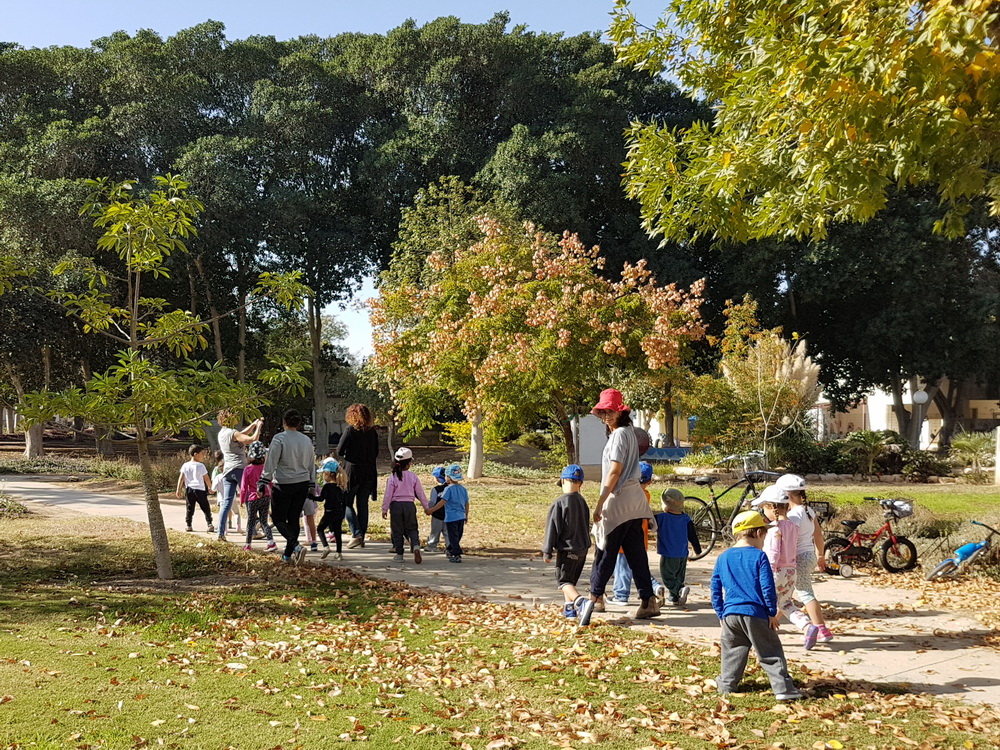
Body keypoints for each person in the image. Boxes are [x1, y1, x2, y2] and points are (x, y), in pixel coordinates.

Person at [578, 388, 660, 626]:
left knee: (605, 551)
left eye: (610, 411)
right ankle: (648, 601)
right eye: (603, 411)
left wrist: (600, 501)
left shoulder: (618, 436)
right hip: (636, 500)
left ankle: (593, 600)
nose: (606, 415)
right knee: (635, 554)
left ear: (621, 412)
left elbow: (615, 470)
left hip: (619, 499)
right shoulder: (629, 434)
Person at [711, 511, 803, 701]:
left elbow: (715, 588)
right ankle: (783, 688)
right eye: (765, 535)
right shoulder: (759, 556)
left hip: (730, 615)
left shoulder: (723, 557)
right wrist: (771, 612)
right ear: (759, 533)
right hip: (755, 613)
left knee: (732, 651)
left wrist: (721, 614)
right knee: (770, 651)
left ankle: (727, 684)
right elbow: (767, 587)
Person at [776, 473, 833, 649]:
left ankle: (820, 628)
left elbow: (788, 538)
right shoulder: (808, 511)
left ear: (787, 495)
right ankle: (773, 621)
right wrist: (820, 554)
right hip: (809, 556)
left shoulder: (794, 515)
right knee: (786, 592)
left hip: (798, 558)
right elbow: (818, 534)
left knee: (805, 592)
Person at [259, 409, 315, 565]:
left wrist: (263, 481)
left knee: (277, 518)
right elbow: (311, 463)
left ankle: (295, 545)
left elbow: (271, 463)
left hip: (283, 483)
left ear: (284, 421)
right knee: (293, 519)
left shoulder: (279, 439)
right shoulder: (306, 440)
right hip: (302, 483)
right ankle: (288, 555)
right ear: (298, 423)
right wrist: (312, 483)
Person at [611, 461, 666, 605]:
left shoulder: (628, 494)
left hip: (625, 537)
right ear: (650, 481)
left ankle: (621, 594)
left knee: (622, 567)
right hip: (641, 538)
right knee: (638, 567)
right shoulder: (645, 495)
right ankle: (654, 586)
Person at [752, 485, 806, 632]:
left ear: (771, 507)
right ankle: (806, 625)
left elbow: (773, 553)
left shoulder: (774, 529)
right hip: (790, 572)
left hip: (775, 571)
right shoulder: (794, 526)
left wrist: (765, 572)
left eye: (764, 507)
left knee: (763, 601)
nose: (763, 511)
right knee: (786, 604)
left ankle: (762, 630)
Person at [542, 464, 592, 619]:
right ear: (581, 484)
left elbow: (553, 527)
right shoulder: (582, 502)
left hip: (568, 547)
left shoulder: (559, 503)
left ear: (563, 481)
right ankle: (569, 609)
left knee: (563, 581)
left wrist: (547, 550)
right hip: (582, 548)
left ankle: (580, 602)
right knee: (570, 581)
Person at [337, 404, 379, 549]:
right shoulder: (372, 432)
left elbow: (339, 450)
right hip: (369, 471)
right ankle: (362, 535)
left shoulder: (350, 430)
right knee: (363, 504)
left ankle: (356, 533)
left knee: (346, 502)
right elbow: (376, 452)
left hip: (352, 471)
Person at [216, 411, 263, 542]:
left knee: (226, 502)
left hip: (227, 470)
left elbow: (241, 434)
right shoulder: (233, 433)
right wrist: (258, 427)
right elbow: (251, 440)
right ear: (230, 419)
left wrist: (252, 425)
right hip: (239, 469)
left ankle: (220, 533)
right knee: (249, 500)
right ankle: (253, 531)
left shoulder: (222, 433)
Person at [381, 447, 429, 564]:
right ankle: (416, 545)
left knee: (397, 530)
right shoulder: (413, 477)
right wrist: (426, 506)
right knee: (412, 527)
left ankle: (399, 554)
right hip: (409, 505)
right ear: (409, 463)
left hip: (396, 506)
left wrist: (384, 508)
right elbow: (420, 493)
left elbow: (388, 495)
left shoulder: (392, 477)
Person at [654, 487, 702, 606]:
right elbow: (693, 535)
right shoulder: (686, 519)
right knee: (678, 577)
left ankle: (680, 590)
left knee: (668, 577)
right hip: (682, 554)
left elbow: (648, 524)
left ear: (667, 506)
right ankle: (674, 598)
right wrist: (698, 550)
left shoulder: (661, 518)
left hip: (668, 554)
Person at [427, 463, 469, 563]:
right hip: (461, 517)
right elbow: (467, 503)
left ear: (448, 477)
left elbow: (442, 502)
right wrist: (466, 515)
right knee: (457, 536)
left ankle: (456, 553)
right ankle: (450, 549)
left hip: (451, 517)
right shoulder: (463, 489)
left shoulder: (448, 489)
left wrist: (431, 510)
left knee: (452, 536)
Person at [240, 440, 276, 552]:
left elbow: (243, 487)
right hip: (265, 497)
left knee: (250, 522)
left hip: (252, 499)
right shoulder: (265, 468)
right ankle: (271, 542)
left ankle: (247, 544)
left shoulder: (248, 469)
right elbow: (271, 483)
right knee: (264, 521)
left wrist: (242, 499)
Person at [176, 444, 215, 533]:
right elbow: (206, 478)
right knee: (205, 507)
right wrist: (210, 487)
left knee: (190, 507)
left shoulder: (185, 465)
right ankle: (209, 523)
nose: (204, 456)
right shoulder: (201, 466)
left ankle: (188, 525)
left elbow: (181, 478)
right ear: (195, 454)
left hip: (189, 489)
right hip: (200, 489)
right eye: (202, 454)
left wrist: (178, 489)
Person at [316, 458, 348, 560]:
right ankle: (339, 552)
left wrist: (310, 497)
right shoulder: (342, 487)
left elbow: (321, 499)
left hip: (329, 512)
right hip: (339, 512)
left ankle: (326, 547)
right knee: (338, 532)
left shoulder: (327, 487)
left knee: (320, 529)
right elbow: (345, 501)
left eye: (324, 474)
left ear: (328, 474)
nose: (323, 476)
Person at [423, 466, 448, 553]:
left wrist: (429, 509)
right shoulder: (450, 488)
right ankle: (449, 546)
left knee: (435, 531)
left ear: (437, 478)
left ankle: (432, 545)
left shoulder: (436, 490)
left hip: (437, 514)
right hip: (449, 514)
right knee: (447, 532)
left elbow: (432, 502)